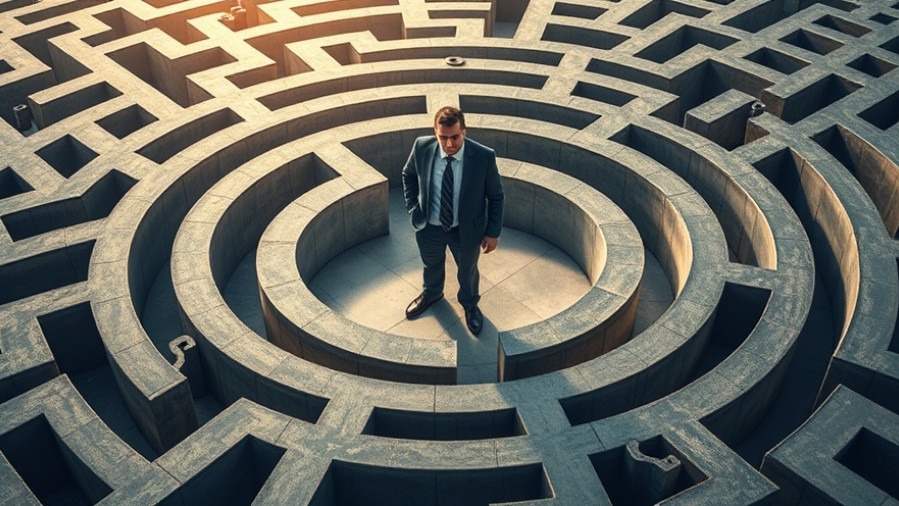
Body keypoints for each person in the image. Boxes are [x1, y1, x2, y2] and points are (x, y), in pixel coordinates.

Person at [401, 106, 504, 335]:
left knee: (467, 270)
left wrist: (493, 233)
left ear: (464, 131)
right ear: (435, 132)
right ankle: (432, 293)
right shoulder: (421, 146)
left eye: (455, 137)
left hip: (465, 231)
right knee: (431, 264)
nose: (449, 144)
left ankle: (470, 304)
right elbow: (408, 174)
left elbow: (496, 196)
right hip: (429, 227)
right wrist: (413, 207)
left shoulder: (483, 156)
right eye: (443, 137)